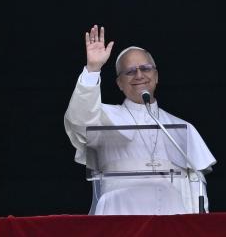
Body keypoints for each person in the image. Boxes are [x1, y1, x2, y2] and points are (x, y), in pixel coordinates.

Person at [64, 24, 216, 215]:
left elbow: (194, 183)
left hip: (171, 215)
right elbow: (79, 121)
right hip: (118, 213)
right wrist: (93, 69)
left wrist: (196, 224)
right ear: (119, 83)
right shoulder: (103, 117)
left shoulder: (182, 127)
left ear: (156, 76)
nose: (139, 75)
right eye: (130, 71)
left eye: (145, 68)